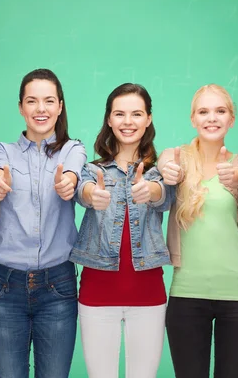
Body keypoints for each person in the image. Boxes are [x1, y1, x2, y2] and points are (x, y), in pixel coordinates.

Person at [0, 69, 86, 378]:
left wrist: (68, 184)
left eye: (48, 101)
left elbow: (72, 173)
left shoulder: (72, 149)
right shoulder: (4, 150)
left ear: (60, 106)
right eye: (32, 101)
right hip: (5, 286)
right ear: (20, 107)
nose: (40, 109)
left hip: (58, 285)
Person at [158, 84, 238, 378]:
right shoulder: (176, 157)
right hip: (186, 296)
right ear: (193, 119)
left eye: (220, 111)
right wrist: (169, 172)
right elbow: (165, 165)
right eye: (203, 111)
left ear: (231, 119)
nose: (212, 118)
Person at [69, 83, 171, 378]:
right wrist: (92, 195)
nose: (128, 122)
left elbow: (165, 196)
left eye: (137, 114)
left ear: (148, 119)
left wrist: (151, 190)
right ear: (109, 119)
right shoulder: (91, 169)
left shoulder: (161, 170)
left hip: (149, 294)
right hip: (97, 293)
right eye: (120, 114)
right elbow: (81, 190)